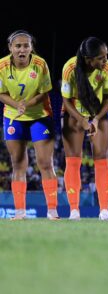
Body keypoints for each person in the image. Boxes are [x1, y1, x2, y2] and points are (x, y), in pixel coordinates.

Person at [0, 30, 58, 220]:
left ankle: (52, 211)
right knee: (17, 164)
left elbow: (45, 92)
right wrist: (17, 105)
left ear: (31, 47)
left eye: (26, 45)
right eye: (18, 46)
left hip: (40, 116)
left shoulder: (40, 64)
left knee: (45, 163)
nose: (22, 49)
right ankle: (20, 213)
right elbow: (1, 93)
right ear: (10, 48)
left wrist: (27, 104)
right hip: (13, 116)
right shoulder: (1, 65)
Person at [61, 37, 108, 220]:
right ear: (88, 59)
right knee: (73, 160)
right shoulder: (70, 69)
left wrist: (97, 119)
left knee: (101, 158)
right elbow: (66, 101)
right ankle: (74, 210)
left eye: (106, 55)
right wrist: (82, 120)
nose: (105, 60)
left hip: (98, 112)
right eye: (101, 58)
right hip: (74, 112)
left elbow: (107, 98)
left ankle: (104, 211)